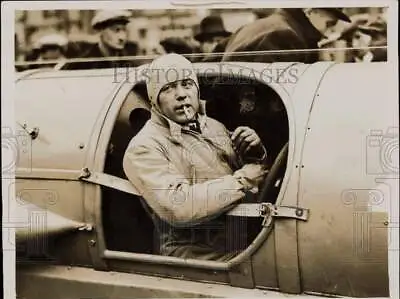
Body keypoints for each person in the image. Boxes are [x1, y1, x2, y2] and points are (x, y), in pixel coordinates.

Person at [123, 53, 268, 261]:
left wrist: (254, 153)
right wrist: (243, 180)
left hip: (240, 241)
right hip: (193, 255)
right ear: (154, 99)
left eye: (187, 84)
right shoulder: (144, 147)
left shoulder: (214, 127)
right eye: (168, 88)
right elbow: (179, 208)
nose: (181, 94)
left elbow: (256, 178)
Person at [222, 8, 351, 63]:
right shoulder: (287, 37)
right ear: (310, 11)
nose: (327, 35)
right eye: (329, 24)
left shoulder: (251, 27)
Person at [64, 10, 141, 70]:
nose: (122, 37)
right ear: (100, 31)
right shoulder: (83, 64)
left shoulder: (130, 65)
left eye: (124, 30)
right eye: (116, 30)